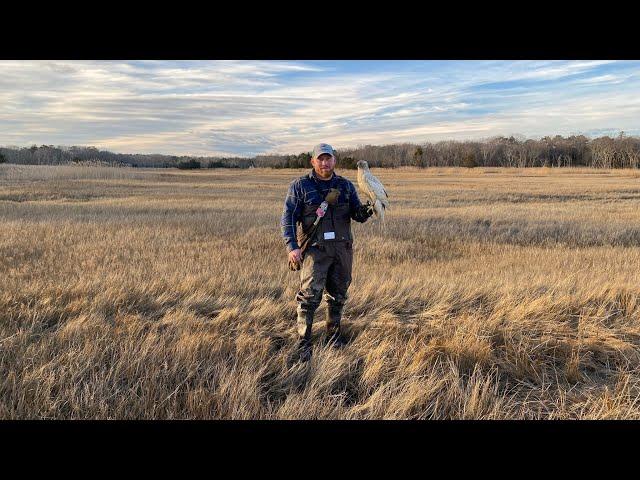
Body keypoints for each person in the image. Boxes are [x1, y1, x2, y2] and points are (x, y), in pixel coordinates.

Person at [280, 143, 374, 362]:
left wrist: (370, 208)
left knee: (338, 295)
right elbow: (288, 218)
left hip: (342, 250)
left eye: (328, 158)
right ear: (313, 161)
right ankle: (304, 341)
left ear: (334, 160)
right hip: (315, 251)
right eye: (320, 159)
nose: (325, 162)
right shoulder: (300, 186)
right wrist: (292, 247)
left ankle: (333, 337)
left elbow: (357, 215)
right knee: (309, 297)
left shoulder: (345, 186)